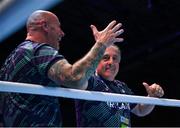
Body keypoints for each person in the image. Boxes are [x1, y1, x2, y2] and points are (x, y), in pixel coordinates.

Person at [0, 10, 124, 126]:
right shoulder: (37, 50)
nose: (62, 33)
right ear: (45, 26)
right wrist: (101, 44)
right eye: (58, 27)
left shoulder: (10, 60)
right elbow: (76, 78)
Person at [75, 44, 164, 127]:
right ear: (96, 61)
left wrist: (152, 97)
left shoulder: (121, 87)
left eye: (115, 59)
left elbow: (140, 110)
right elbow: (76, 77)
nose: (111, 62)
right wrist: (99, 45)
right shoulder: (89, 80)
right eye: (106, 58)